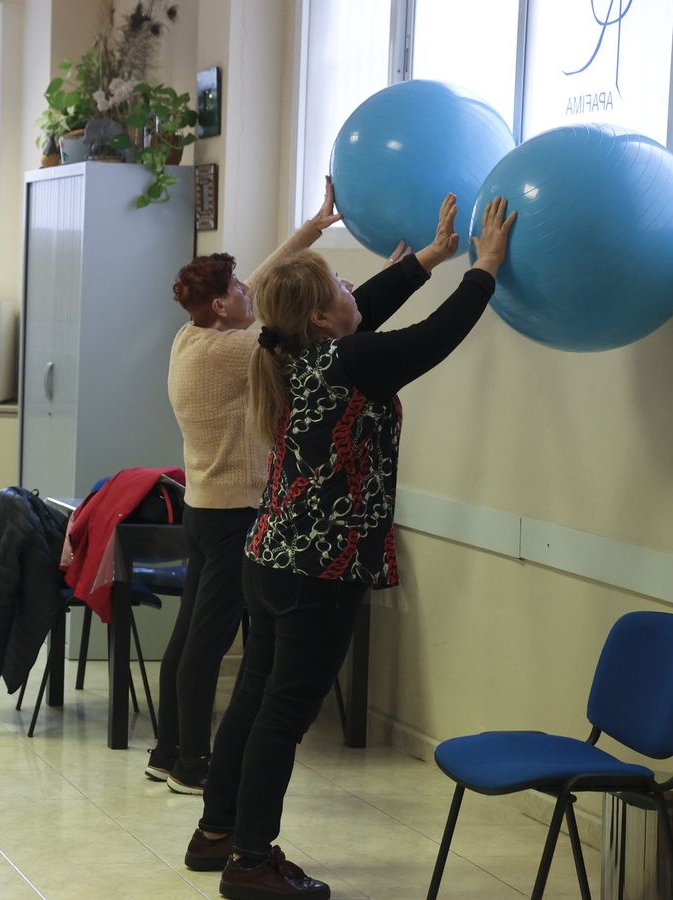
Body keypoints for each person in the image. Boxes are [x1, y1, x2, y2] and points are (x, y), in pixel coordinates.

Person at [185, 194, 516, 899]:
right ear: (320, 316)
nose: (349, 289)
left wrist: (428, 258)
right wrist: (484, 265)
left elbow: (362, 304)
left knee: (254, 697)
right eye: (338, 286)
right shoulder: (346, 362)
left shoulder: (286, 347)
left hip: (270, 554)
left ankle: (217, 833)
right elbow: (436, 335)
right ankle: (250, 863)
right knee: (284, 712)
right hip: (318, 570)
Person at [152, 178, 397, 794]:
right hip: (235, 510)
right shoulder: (234, 352)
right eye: (236, 291)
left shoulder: (190, 336)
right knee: (207, 641)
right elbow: (305, 329)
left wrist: (315, 228)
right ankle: (189, 764)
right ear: (220, 309)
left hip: (203, 508)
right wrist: (376, 288)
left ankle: (166, 749)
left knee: (188, 635)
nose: (248, 292)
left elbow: (266, 283)